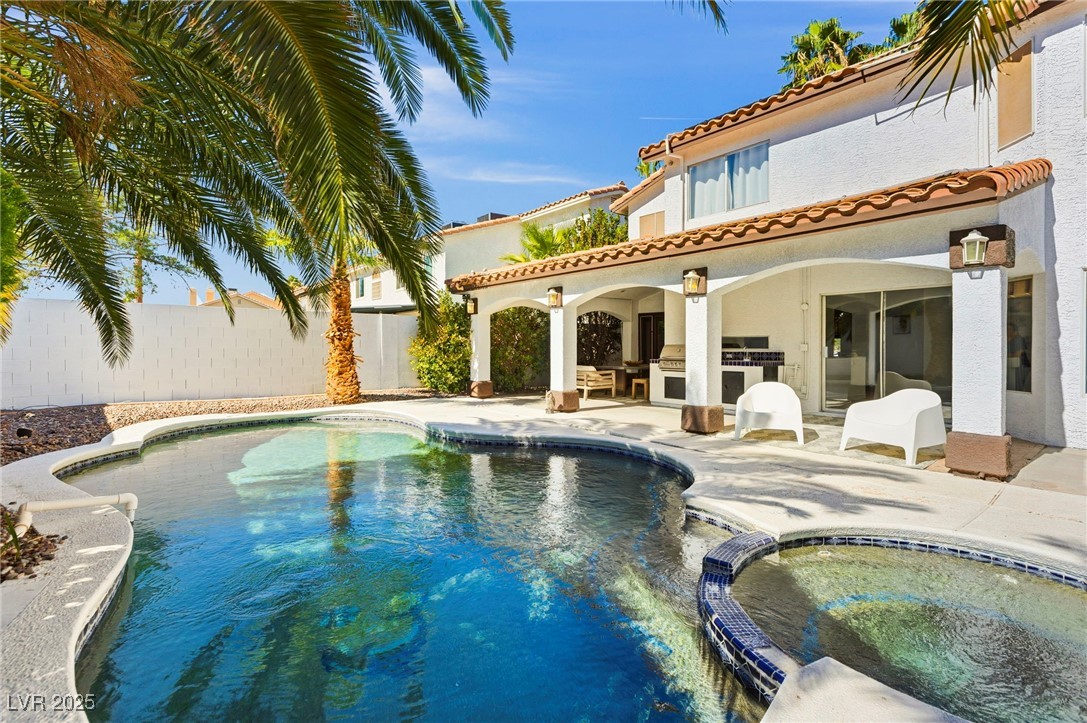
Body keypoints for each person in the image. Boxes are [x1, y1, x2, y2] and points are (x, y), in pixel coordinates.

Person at [1007, 322, 1030, 391]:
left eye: (1009, 329)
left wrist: (1007, 355)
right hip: (1013, 366)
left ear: (1014, 330)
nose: (1007, 331)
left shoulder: (1018, 339)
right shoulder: (1008, 339)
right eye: (1007, 329)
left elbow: (1018, 353)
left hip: (1021, 367)